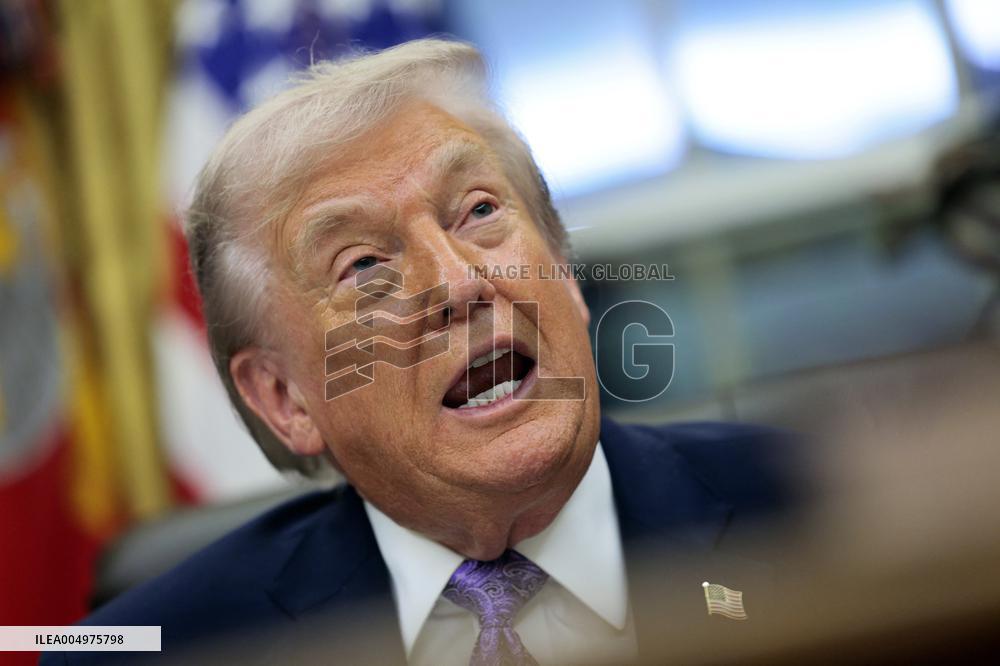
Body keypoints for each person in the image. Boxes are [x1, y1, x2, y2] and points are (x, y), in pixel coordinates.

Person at [42, 39, 798, 665]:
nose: (460, 283)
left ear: (564, 272)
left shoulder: (820, 502)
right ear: (283, 397)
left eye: (478, 211)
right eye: (365, 266)